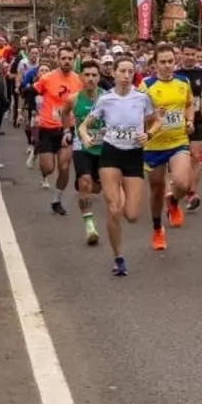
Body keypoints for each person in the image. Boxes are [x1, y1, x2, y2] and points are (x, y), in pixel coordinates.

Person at [79, 57, 159, 276]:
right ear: (113, 73)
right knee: (114, 209)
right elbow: (85, 125)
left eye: (130, 71)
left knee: (132, 215)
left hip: (133, 155)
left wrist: (148, 134)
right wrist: (86, 137)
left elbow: (156, 121)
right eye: (122, 71)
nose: (126, 75)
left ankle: (122, 194)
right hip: (111, 154)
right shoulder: (105, 99)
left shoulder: (142, 97)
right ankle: (119, 258)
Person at [139, 43, 195, 251]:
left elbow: (189, 105)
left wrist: (189, 121)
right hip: (154, 144)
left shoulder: (183, 81)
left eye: (170, 61)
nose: (167, 66)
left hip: (179, 140)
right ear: (154, 64)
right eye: (162, 62)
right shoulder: (146, 86)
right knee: (156, 188)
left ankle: (173, 203)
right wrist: (154, 117)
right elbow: (138, 115)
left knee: (182, 182)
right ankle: (157, 229)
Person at [35, 45, 83, 213]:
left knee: (64, 166)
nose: (67, 61)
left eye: (70, 58)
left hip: (67, 129)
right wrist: (33, 111)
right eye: (64, 58)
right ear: (58, 59)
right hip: (47, 128)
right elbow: (33, 92)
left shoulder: (78, 80)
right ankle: (41, 160)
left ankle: (57, 199)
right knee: (48, 168)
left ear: (74, 60)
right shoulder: (47, 78)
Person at [68, 60, 105, 246]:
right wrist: (67, 131)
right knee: (85, 182)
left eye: (94, 75)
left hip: (103, 148)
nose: (90, 79)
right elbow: (64, 112)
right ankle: (89, 224)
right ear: (81, 76)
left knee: (97, 188)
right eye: (87, 75)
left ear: (99, 77)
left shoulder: (107, 97)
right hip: (81, 146)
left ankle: (88, 187)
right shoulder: (74, 98)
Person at [175, 43, 202, 211]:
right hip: (178, 121)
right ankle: (177, 186)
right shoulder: (175, 74)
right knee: (179, 159)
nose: (189, 57)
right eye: (186, 53)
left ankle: (192, 193)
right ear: (181, 54)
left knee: (195, 157)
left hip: (196, 119)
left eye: (193, 54)